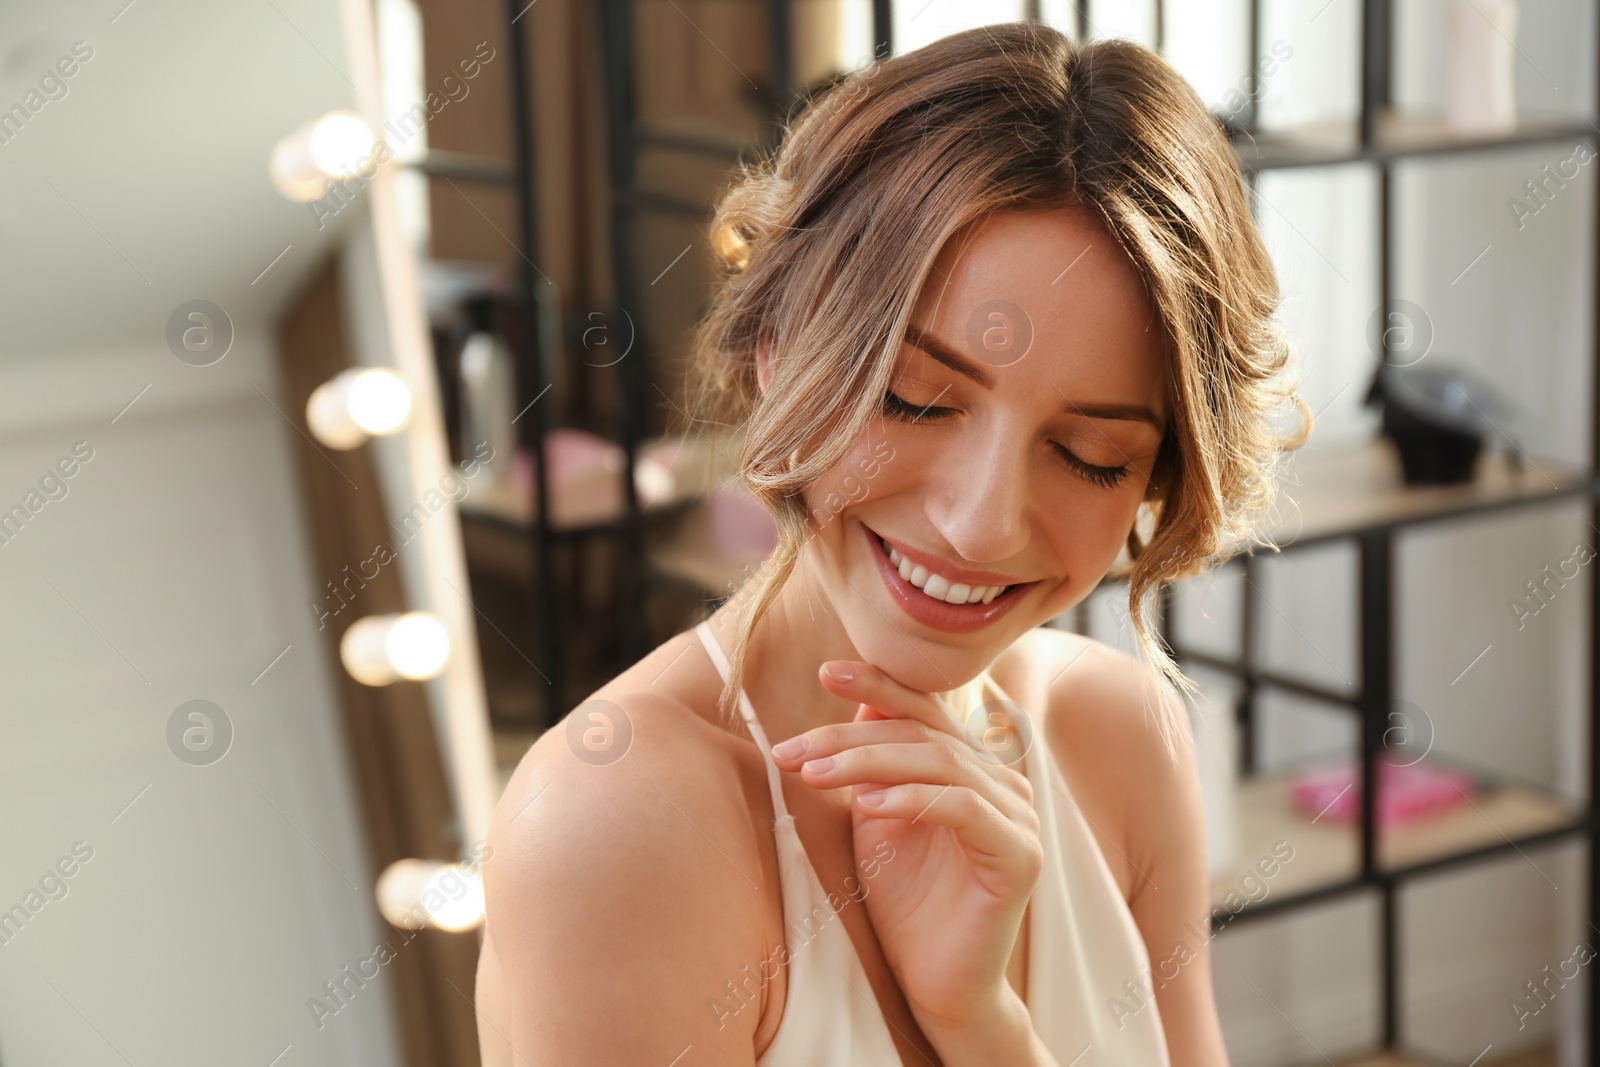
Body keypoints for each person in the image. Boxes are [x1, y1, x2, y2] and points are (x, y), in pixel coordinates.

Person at [475, 20, 1309, 1067]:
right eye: (914, 399)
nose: (982, 522)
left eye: (1092, 454)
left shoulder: (1123, 735)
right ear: (780, 348)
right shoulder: (617, 818)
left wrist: (981, 1022)